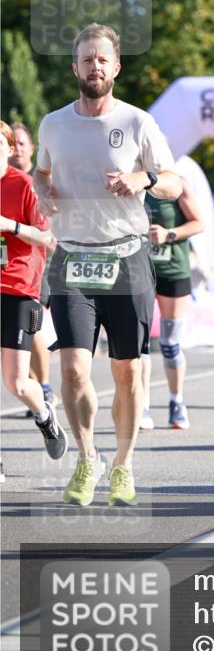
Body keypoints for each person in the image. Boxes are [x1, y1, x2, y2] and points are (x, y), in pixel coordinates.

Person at [34, 23, 181, 507]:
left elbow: (175, 184)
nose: (94, 66)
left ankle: (124, 464)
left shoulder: (138, 122)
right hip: (73, 256)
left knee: (127, 371)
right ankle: (86, 457)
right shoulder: (54, 124)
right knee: (74, 369)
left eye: (103, 59)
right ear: (73, 67)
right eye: (86, 59)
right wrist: (43, 193)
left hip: (126, 255)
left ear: (115, 68)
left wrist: (144, 177)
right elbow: (40, 171)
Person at [0, 121, 68, 464]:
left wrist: (9, 225)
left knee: (17, 383)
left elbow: (46, 238)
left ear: (10, 149)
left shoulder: (23, 185)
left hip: (17, 289)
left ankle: (45, 415)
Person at [140, 176, 204, 431]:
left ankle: (176, 402)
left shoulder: (178, 183)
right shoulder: (131, 183)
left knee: (169, 343)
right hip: (139, 271)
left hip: (174, 271)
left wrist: (169, 234)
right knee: (138, 344)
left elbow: (199, 223)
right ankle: (142, 406)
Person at [10, 122, 57, 416]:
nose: (16, 150)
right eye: (11, 143)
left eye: (21, 144)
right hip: (7, 266)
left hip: (35, 266)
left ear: (30, 149)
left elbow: (49, 230)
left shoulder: (35, 182)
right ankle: (30, 384)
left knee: (33, 327)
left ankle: (45, 386)